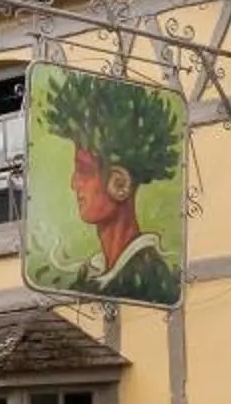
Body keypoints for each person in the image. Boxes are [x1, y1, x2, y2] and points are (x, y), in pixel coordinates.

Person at [33, 67, 184, 306]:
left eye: (83, 170)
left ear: (119, 182)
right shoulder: (97, 274)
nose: (73, 183)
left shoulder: (149, 278)